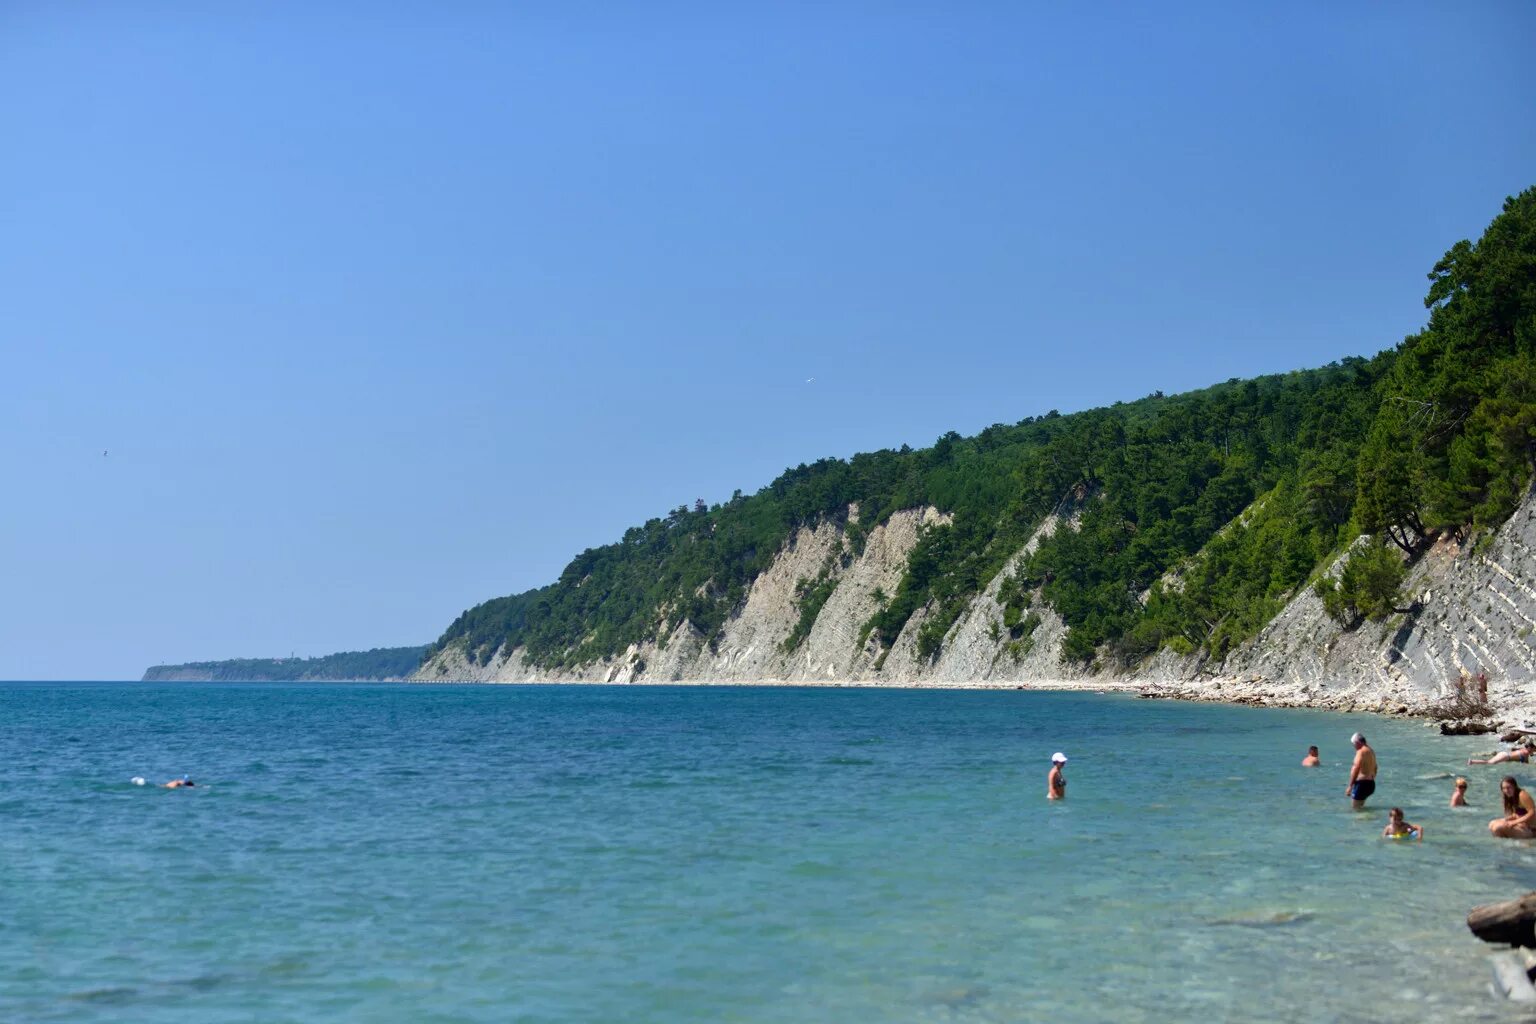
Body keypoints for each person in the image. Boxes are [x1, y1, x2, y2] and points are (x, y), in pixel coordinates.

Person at [1346, 732, 1377, 809]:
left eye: (1354, 744)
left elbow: (1356, 768)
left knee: (1355, 809)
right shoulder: (1371, 751)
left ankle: (1361, 820)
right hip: (1370, 784)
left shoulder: (1361, 752)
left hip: (1361, 784)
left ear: (1357, 742)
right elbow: (1376, 767)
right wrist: (1371, 778)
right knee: (1361, 808)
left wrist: (1350, 786)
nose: (1354, 747)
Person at [1468, 743, 1536, 766]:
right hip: (1505, 756)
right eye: (1534, 749)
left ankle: (1472, 761)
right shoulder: (1526, 753)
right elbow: (1526, 763)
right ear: (1530, 748)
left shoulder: (1523, 749)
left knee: (1490, 761)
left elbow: (1513, 750)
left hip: (1504, 753)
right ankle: (1472, 761)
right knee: (1489, 762)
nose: (1534, 750)